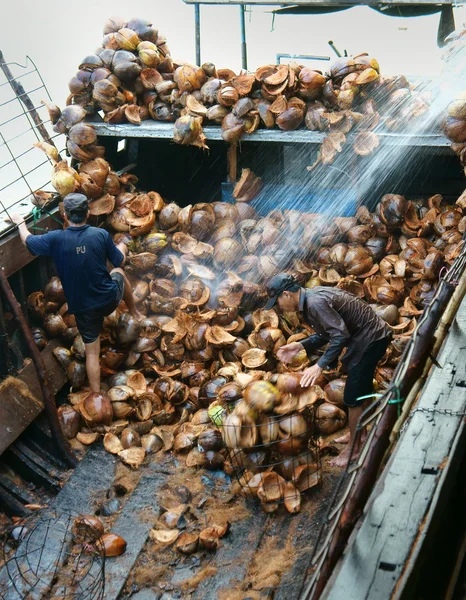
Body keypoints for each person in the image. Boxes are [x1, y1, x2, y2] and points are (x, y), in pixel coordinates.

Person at [9, 193, 143, 393]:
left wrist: (20, 222)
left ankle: (97, 396)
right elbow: (118, 261)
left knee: (92, 353)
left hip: (83, 308)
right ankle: (135, 313)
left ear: (65, 215)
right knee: (119, 273)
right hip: (108, 299)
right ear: (88, 213)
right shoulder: (100, 235)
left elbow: (28, 241)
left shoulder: (55, 239)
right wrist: (122, 247)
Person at [265, 273, 391, 468]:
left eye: (278, 301)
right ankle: (360, 433)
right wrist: (299, 346)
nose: (279, 307)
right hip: (368, 338)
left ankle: (354, 449)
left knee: (352, 396)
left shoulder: (314, 303)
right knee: (361, 388)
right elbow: (327, 334)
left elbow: (340, 335)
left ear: (286, 295)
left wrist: (319, 366)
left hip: (371, 339)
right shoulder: (310, 300)